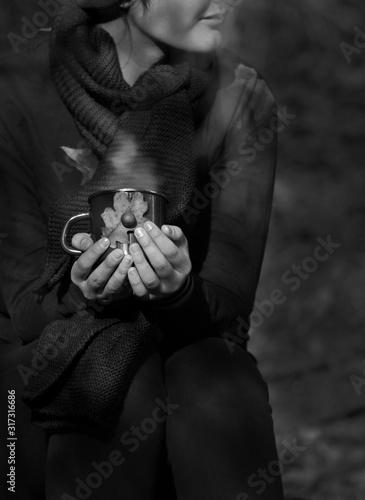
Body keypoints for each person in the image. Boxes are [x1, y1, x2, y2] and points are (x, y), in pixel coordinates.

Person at [0, 1, 284, 499]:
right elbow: (22, 310)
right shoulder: (17, 92)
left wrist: (177, 291)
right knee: (117, 380)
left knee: (219, 380)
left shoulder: (240, 98)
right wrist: (78, 293)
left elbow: (230, 313)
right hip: (33, 346)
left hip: (178, 339)